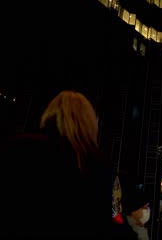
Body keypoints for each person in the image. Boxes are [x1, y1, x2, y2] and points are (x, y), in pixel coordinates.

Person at [0, 90, 113, 238]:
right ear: (90, 121)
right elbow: (102, 222)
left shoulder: (17, 146)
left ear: (51, 112)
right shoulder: (96, 164)